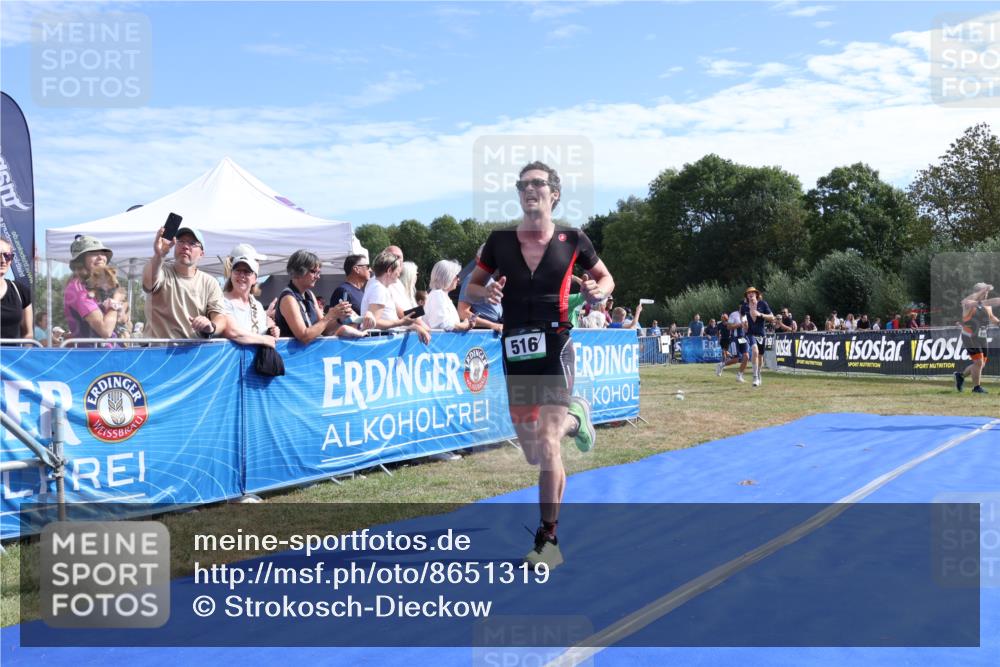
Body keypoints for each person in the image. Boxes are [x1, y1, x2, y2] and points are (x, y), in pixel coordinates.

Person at [465, 161, 613, 569]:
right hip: (515, 349)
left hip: (556, 344)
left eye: (538, 184)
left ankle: (548, 539)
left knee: (547, 443)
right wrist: (487, 288)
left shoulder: (573, 239)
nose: (530, 190)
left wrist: (599, 289)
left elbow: (606, 278)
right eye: (523, 185)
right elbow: (471, 287)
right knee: (535, 451)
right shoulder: (498, 242)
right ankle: (577, 419)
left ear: (555, 193)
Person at [143, 226, 228, 340]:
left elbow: (220, 318)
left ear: (202, 254)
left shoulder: (210, 282)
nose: (185, 246)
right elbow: (148, 283)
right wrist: (159, 254)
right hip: (158, 352)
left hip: (193, 352)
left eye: (192, 243)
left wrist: (210, 326)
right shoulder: (161, 269)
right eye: (181, 241)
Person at [276, 250, 360, 344]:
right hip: (293, 356)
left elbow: (325, 331)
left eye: (319, 272)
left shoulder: (309, 295)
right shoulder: (288, 298)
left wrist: (339, 318)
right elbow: (304, 336)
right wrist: (329, 316)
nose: (318, 277)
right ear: (299, 271)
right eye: (314, 272)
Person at [361, 250, 431, 343]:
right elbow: (374, 323)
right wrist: (401, 322)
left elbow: (387, 321)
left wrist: (414, 326)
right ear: (389, 270)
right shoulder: (379, 289)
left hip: (384, 342)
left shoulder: (381, 288)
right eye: (398, 269)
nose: (399, 273)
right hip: (379, 344)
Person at [222, 247, 283, 344]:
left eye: (247, 271)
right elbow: (232, 332)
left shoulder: (257, 306)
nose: (242, 275)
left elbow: (262, 331)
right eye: (237, 270)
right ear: (231, 274)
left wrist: (272, 331)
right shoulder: (222, 301)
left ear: (255, 278)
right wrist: (265, 340)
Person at [63, 235, 118, 341]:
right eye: (93, 253)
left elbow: (122, 319)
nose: (101, 257)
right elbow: (105, 331)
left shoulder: (95, 286)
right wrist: (116, 302)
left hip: (107, 352)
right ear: (80, 260)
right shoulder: (78, 289)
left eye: (103, 253)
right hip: (95, 355)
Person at [954, 282, 1000, 394]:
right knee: (979, 362)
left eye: (987, 293)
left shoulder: (986, 305)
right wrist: (982, 290)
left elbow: (992, 317)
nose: (986, 295)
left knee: (980, 364)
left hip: (982, 336)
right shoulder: (968, 303)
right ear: (977, 292)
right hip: (969, 336)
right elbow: (965, 302)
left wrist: (998, 323)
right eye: (985, 293)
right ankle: (976, 388)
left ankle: (960, 376)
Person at [458, 244, 503, 333]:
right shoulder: (471, 279)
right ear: (478, 259)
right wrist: (492, 325)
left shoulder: (489, 278)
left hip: (496, 327)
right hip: (484, 332)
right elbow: (462, 312)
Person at [424, 260, 475, 331]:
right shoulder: (437, 295)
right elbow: (442, 325)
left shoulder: (441, 295)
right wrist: (464, 325)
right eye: (457, 276)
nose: (458, 279)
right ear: (448, 277)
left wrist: (466, 325)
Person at [740, 286, 775, 387]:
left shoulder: (763, 304)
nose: (750, 294)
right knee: (755, 351)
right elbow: (741, 315)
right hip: (750, 333)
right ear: (747, 296)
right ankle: (755, 377)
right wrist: (743, 323)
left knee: (760, 356)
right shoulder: (744, 306)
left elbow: (772, 317)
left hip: (761, 333)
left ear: (756, 294)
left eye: (752, 293)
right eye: (748, 293)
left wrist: (760, 314)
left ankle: (759, 373)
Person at [0, 236, 32, 340]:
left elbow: (28, 334)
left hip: (12, 356)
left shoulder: (21, 291)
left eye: (7, 256)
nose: (3, 260)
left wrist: (24, 353)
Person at [716, 307, 749, 380]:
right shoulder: (734, 314)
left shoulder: (745, 315)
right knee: (736, 359)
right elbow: (729, 327)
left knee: (746, 356)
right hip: (735, 339)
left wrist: (746, 325)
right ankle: (722, 365)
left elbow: (746, 328)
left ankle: (739, 375)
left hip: (742, 338)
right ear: (740, 307)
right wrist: (739, 324)